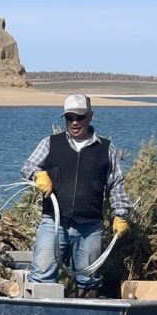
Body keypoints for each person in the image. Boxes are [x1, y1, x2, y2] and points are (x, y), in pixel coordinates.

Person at [20, 94, 132, 298]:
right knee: (41, 276)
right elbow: (28, 165)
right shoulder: (50, 143)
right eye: (69, 117)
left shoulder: (106, 149)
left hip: (89, 227)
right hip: (53, 223)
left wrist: (121, 214)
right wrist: (38, 174)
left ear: (90, 116)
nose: (74, 122)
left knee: (89, 281)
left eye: (79, 117)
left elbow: (116, 184)